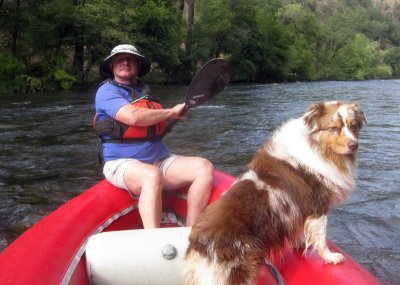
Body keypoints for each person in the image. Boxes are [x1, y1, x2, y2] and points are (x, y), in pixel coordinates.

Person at [94, 44, 214, 228]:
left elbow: (152, 123)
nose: (125, 62)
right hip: (121, 163)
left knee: (204, 167)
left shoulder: (144, 92)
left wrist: (173, 114)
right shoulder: (106, 91)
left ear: (137, 64)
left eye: (130, 59)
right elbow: (132, 117)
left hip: (159, 159)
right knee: (152, 175)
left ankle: (191, 234)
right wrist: (171, 113)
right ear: (112, 66)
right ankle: (154, 238)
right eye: (119, 59)